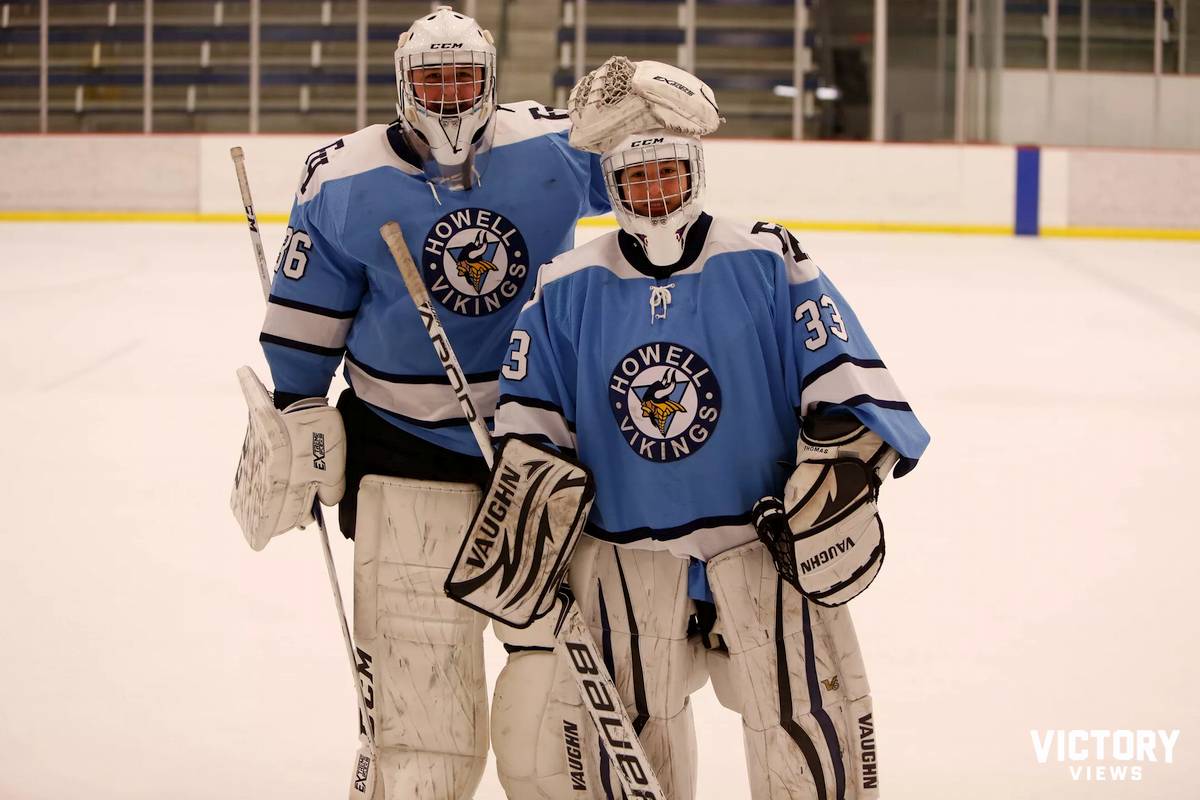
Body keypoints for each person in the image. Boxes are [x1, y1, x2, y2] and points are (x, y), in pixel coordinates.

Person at [489, 62, 930, 799]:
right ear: (615, 189)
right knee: (630, 742)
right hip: (629, 553)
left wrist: (838, 475)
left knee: (804, 729)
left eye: (670, 173)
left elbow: (845, 387)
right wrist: (536, 515)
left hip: (762, 548)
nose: (656, 193)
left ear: (695, 173)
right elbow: (530, 428)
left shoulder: (765, 258)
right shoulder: (564, 286)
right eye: (637, 180)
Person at [246, 6, 610, 799]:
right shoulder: (342, 177)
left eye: (465, 79)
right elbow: (308, 317)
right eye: (432, 80)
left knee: (555, 666)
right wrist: (299, 411)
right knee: (421, 679)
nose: (449, 97)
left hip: (544, 444)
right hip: (402, 442)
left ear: (491, 82)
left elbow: (649, 188)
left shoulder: (551, 145)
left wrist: (641, 115)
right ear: (402, 85)